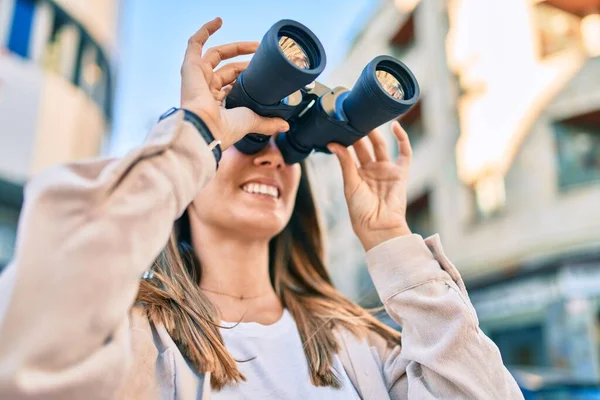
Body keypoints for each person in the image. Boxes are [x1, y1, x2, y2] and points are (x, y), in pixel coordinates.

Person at [0, 17, 523, 400]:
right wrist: (194, 134)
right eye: (247, 139)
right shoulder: (135, 336)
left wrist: (391, 239)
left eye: (290, 146)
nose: (272, 156)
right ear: (193, 167)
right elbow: (25, 336)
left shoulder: (362, 347)